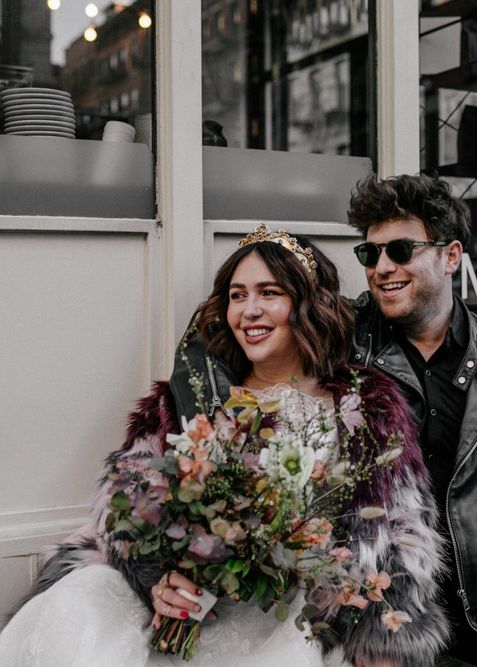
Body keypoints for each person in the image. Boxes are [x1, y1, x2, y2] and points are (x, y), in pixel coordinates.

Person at [171, 174, 477, 666]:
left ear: (451, 255)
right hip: (374, 585)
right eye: (370, 254)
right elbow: (223, 337)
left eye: (400, 250)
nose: (381, 268)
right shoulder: (340, 335)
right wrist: (206, 452)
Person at [0, 226, 449, 667]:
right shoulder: (188, 398)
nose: (249, 311)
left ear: (309, 304)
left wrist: (383, 640)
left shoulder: (363, 405)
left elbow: (399, 537)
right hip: (189, 609)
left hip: (288, 617)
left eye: (269, 293)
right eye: (237, 295)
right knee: (80, 605)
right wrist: (159, 579)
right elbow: (126, 508)